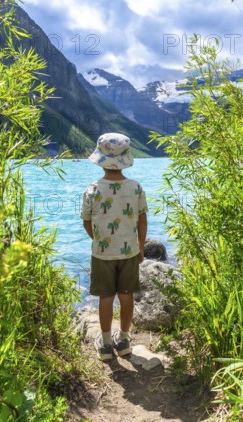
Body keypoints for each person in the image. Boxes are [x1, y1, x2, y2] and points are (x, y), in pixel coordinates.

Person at [80, 133, 148, 360]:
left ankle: (107, 343)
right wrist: (140, 245)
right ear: (125, 158)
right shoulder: (136, 187)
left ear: (100, 158)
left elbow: (87, 221)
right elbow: (141, 219)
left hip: (102, 253)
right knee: (127, 294)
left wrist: (98, 240)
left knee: (105, 297)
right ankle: (125, 339)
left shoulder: (92, 189)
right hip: (129, 251)